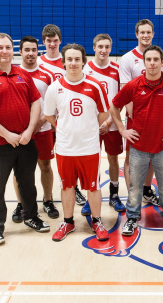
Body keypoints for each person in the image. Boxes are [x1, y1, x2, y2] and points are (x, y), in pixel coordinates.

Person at [0, 33, 49, 246]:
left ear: (12, 49)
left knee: (27, 184)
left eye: (7, 47)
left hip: (25, 141)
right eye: (0, 47)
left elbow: (36, 103)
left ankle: (31, 217)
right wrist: (7, 134)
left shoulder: (23, 74)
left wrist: (29, 130)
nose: (4, 51)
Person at [110, 45, 163, 237]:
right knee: (135, 186)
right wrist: (122, 130)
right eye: (149, 60)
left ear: (162, 63)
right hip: (138, 146)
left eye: (156, 60)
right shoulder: (134, 85)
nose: (153, 63)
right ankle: (132, 218)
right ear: (144, 62)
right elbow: (114, 106)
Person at [43, 44, 111, 242]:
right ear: (64, 61)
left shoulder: (95, 85)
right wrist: (65, 128)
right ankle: (68, 221)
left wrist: (87, 128)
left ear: (83, 61)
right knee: (67, 186)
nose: (73, 63)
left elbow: (104, 114)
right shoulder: (54, 88)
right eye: (69, 59)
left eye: (77, 59)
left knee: (93, 186)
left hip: (89, 147)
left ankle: (97, 221)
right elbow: (48, 115)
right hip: (65, 147)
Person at [118, 19, 163, 206]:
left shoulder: (162, 57)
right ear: (136, 34)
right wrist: (136, 117)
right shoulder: (127, 59)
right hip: (136, 119)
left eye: (148, 32)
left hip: (156, 119)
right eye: (142, 32)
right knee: (132, 158)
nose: (145, 35)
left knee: (152, 156)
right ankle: (133, 197)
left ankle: (147, 191)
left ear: (153, 34)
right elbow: (125, 93)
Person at [37, 24, 87, 206]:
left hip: (67, 120)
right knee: (46, 163)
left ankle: (75, 189)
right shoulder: (38, 62)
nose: (52, 44)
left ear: (60, 40)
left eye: (55, 40)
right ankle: (48, 197)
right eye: (48, 41)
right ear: (43, 42)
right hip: (44, 122)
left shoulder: (68, 60)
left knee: (72, 157)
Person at [10, 36, 59, 223]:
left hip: (43, 129)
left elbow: (51, 105)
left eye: (33, 50)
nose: (30, 53)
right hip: (19, 132)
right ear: (20, 52)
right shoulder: (13, 73)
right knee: (20, 170)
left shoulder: (47, 75)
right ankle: (21, 204)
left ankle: (48, 201)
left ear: (38, 52)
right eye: (26, 50)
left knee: (45, 166)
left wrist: (36, 126)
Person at [81, 34, 125, 215]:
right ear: (94, 47)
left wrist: (108, 121)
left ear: (111, 48)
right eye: (100, 46)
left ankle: (114, 195)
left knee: (113, 159)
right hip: (92, 126)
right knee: (92, 161)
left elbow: (120, 100)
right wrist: (95, 122)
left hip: (112, 123)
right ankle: (92, 198)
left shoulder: (117, 69)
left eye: (107, 47)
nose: (103, 50)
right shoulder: (86, 70)